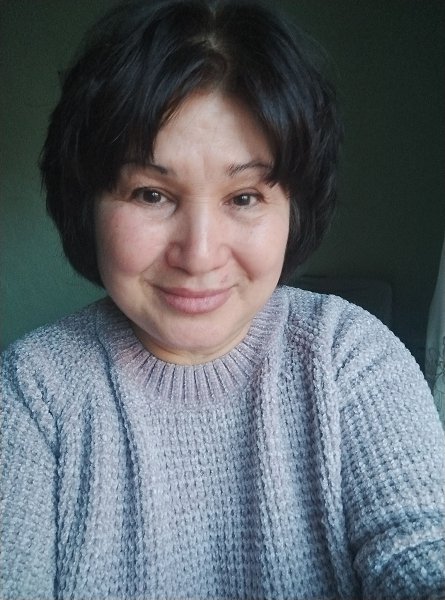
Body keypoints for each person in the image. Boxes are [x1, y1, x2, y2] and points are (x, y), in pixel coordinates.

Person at [1, 0, 444, 598]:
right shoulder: (32, 395)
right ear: (86, 203)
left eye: (244, 197)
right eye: (151, 194)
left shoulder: (349, 359)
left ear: (294, 209)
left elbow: (421, 548)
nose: (200, 254)